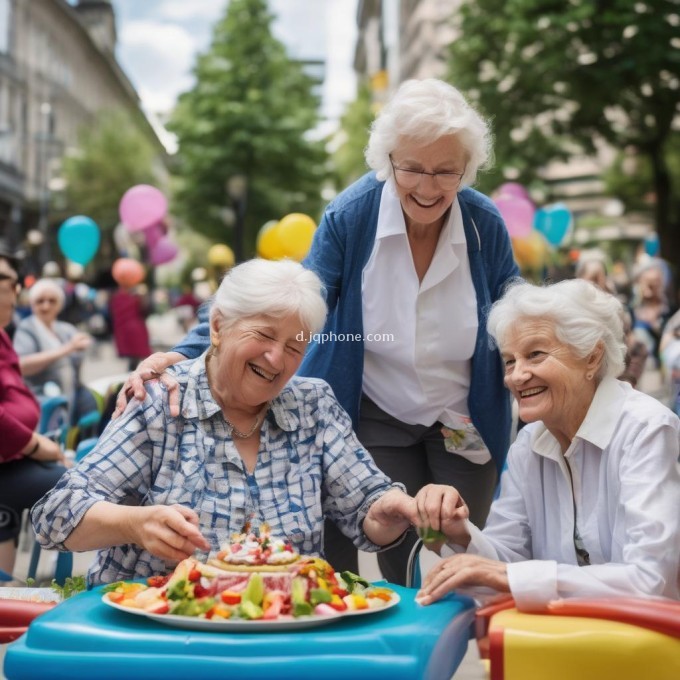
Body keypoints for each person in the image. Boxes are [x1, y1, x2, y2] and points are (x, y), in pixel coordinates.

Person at [114, 79, 519, 585]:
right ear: (387, 159)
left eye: (446, 171)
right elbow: (291, 293)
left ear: (467, 169)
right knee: (405, 550)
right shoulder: (353, 215)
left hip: (461, 414)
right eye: (412, 167)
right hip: (380, 408)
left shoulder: (483, 223)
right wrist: (186, 350)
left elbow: (514, 306)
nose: (428, 186)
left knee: (459, 547)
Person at [32, 259, 465, 586]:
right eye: (263, 335)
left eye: (296, 347)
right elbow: (54, 516)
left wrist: (399, 507)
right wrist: (135, 524)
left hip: (283, 635)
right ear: (219, 326)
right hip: (161, 641)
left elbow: (366, 510)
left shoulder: (313, 404)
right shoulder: (162, 400)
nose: (276, 359)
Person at [415, 279, 680, 611]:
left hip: (640, 645)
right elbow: (505, 561)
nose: (516, 376)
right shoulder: (529, 442)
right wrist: (459, 534)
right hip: (557, 640)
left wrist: (515, 578)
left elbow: (650, 579)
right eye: (510, 361)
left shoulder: (644, 427)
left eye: (535, 355)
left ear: (592, 357)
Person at [0, 252, 69, 579]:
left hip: (14, 455)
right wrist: (35, 444)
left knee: (74, 469)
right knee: (75, 485)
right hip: (11, 455)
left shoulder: (3, 334)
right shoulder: (23, 330)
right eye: (8, 282)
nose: (15, 293)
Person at [13, 278, 93, 417]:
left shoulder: (66, 329)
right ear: (32, 304)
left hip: (70, 399)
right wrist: (68, 348)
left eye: (52, 301)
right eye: (40, 301)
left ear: (60, 305)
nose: (46, 306)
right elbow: (22, 366)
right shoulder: (26, 328)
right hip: (42, 405)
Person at [109, 280, 152, 370]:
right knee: (135, 359)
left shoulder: (115, 297)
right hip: (135, 330)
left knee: (133, 359)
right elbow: (145, 311)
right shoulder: (135, 298)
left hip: (124, 330)